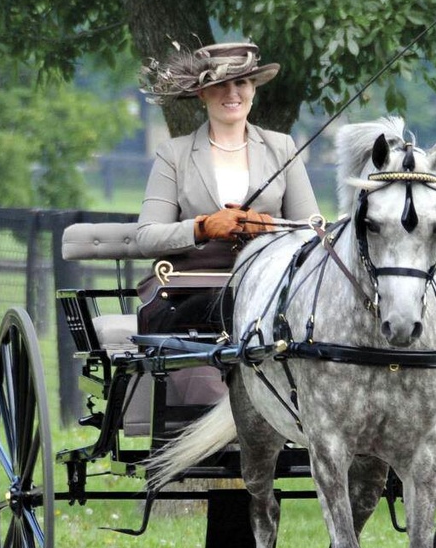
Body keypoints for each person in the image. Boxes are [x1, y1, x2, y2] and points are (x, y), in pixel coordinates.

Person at [136, 40, 320, 333]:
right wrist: (203, 227)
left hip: (269, 293)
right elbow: (147, 237)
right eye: (221, 84)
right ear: (202, 93)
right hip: (190, 295)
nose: (232, 93)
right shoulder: (174, 154)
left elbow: (312, 229)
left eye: (242, 82)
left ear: (254, 89)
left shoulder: (282, 147)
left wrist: (269, 226)